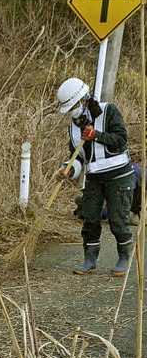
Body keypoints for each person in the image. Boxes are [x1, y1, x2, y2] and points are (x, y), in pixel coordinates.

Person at [56, 77, 134, 276]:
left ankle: (125, 256)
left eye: (73, 105)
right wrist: (68, 170)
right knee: (89, 218)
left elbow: (121, 140)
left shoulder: (109, 111)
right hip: (93, 178)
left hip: (118, 174)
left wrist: (97, 135)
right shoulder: (73, 127)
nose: (72, 111)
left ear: (83, 99)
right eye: (69, 108)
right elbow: (78, 157)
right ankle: (89, 259)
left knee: (117, 219)